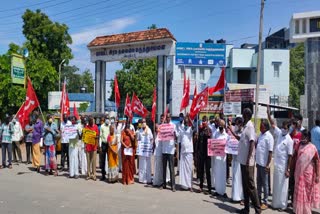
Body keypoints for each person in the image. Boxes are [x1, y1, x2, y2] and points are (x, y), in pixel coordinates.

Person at [267, 107, 293, 211]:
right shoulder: (279, 133)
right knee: (276, 185)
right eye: (282, 126)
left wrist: (288, 169)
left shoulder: (289, 140)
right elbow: (272, 124)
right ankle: (275, 204)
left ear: (288, 129)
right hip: (277, 164)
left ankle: (283, 205)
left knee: (283, 186)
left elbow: (290, 155)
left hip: (284, 166)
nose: (283, 128)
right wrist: (268, 114)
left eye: (285, 127)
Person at [237, 108, 261, 214]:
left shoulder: (250, 127)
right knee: (245, 186)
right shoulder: (245, 127)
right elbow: (242, 141)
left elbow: (252, 143)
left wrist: (248, 159)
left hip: (248, 163)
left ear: (246, 115)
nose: (242, 115)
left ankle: (258, 209)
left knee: (250, 186)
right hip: (242, 161)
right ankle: (246, 209)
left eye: (243, 114)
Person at [293, 130, 320, 214]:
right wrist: (290, 169)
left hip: (308, 173)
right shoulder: (298, 145)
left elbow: (316, 161)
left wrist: (318, 175)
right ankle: (299, 209)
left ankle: (306, 210)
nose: (303, 138)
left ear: (309, 138)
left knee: (307, 192)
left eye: (305, 137)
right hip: (298, 172)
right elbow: (294, 156)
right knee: (299, 192)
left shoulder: (312, 147)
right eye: (302, 136)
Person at [255, 119, 274, 210]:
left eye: (261, 126)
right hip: (259, 163)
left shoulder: (269, 137)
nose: (260, 127)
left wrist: (268, 165)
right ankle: (258, 199)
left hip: (264, 164)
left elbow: (270, 152)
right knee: (258, 182)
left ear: (265, 127)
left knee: (265, 184)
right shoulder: (260, 135)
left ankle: (265, 201)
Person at [227, 117, 244, 203]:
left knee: (239, 178)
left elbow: (239, 138)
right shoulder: (236, 132)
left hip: (240, 159)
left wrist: (232, 131)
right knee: (234, 177)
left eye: (237, 124)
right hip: (234, 158)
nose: (236, 125)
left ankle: (240, 197)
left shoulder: (243, 132)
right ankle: (234, 196)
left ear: (241, 124)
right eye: (235, 124)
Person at [212, 120, 229, 197]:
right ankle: (217, 190)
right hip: (217, 157)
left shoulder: (226, 135)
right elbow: (212, 143)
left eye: (222, 126)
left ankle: (223, 191)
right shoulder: (216, 133)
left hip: (223, 158)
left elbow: (229, 146)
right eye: (219, 126)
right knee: (217, 173)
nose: (220, 128)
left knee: (222, 174)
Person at [160, 113, 177, 192]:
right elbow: (160, 134)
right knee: (164, 168)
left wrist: (174, 134)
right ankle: (164, 184)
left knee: (171, 168)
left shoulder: (173, 126)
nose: (168, 118)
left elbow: (176, 136)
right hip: (164, 149)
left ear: (171, 118)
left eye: (169, 117)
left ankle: (173, 186)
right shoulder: (163, 126)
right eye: (167, 117)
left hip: (170, 150)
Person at [178, 114, 194, 191]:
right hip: (183, 151)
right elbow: (179, 139)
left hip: (189, 151)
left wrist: (190, 118)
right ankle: (184, 185)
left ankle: (190, 185)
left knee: (189, 168)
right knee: (183, 168)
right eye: (185, 120)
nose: (186, 121)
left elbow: (194, 127)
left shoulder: (190, 128)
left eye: (187, 120)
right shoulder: (181, 128)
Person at [198, 115, 212, 194]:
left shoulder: (209, 130)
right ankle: (201, 186)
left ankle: (209, 188)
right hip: (201, 153)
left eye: (205, 121)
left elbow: (210, 137)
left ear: (207, 122)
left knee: (207, 171)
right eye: (203, 120)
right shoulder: (200, 130)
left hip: (207, 154)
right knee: (201, 171)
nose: (203, 122)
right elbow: (199, 142)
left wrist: (206, 130)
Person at [137, 118, 153, 184]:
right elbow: (138, 140)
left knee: (148, 165)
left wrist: (151, 146)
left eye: (144, 122)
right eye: (142, 122)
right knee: (142, 165)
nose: (143, 123)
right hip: (142, 151)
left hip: (148, 150)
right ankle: (142, 179)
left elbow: (152, 139)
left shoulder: (149, 130)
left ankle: (148, 179)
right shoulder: (139, 131)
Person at [83, 116, 99, 181]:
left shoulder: (96, 127)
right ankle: (88, 174)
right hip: (88, 147)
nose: (91, 122)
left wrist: (96, 137)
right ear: (88, 121)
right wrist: (84, 146)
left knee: (94, 161)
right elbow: (84, 137)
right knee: (88, 161)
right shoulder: (86, 127)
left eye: (92, 120)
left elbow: (98, 136)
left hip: (94, 146)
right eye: (90, 121)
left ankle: (94, 174)